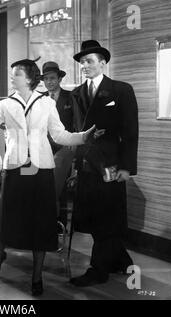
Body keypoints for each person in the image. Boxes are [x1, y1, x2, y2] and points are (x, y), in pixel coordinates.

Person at [0, 58, 96, 296]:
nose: (12, 78)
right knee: (8, 216)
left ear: (30, 78)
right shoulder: (6, 104)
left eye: (16, 74)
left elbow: (59, 134)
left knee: (42, 223)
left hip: (42, 169)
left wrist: (83, 136)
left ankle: (37, 276)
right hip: (14, 169)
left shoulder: (45, 103)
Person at [69, 40, 139, 287]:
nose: (84, 66)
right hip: (87, 165)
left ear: (103, 62)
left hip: (110, 165)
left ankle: (98, 270)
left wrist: (127, 168)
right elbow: (73, 131)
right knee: (95, 218)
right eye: (81, 62)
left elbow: (131, 132)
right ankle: (123, 262)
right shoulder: (76, 93)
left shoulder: (121, 90)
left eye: (89, 61)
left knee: (107, 218)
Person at [41, 61, 75, 232]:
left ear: (59, 79)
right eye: (46, 79)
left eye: (52, 78)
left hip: (64, 149)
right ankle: (46, 222)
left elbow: (77, 124)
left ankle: (60, 225)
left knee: (60, 188)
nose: (49, 82)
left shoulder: (71, 97)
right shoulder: (39, 98)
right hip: (43, 149)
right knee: (44, 186)